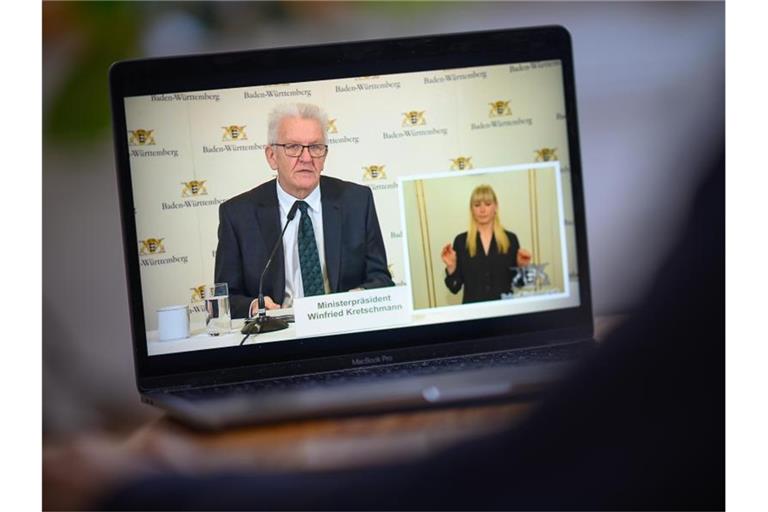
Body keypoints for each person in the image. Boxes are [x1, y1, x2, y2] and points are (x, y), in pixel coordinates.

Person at [214, 103, 393, 318]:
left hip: (342, 327)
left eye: (316, 147)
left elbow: (381, 280)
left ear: (324, 155)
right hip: (277, 336)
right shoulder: (238, 215)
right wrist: (254, 306)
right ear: (272, 156)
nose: (307, 158)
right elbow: (225, 300)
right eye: (293, 147)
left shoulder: (357, 201)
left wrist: (355, 299)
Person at [441, 184, 532, 303]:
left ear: (496, 207)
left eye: (488, 204)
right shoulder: (461, 241)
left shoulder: (510, 239)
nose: (482, 210)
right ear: (471, 209)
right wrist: (451, 267)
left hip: (505, 314)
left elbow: (520, 284)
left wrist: (522, 267)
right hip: (473, 315)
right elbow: (454, 288)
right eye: (477, 205)